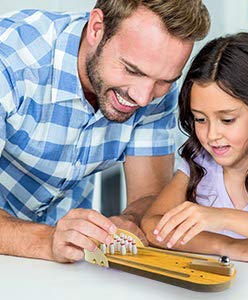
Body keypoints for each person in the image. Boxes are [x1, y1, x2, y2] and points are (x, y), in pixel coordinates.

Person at [0, 1, 210, 263]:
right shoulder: (9, 59)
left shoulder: (152, 92)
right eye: (132, 70)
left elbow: (149, 198)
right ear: (97, 28)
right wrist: (46, 240)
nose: (143, 98)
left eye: (164, 81)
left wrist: (128, 222)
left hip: (66, 263)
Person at [141, 32, 248, 264]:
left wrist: (222, 218)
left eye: (227, 120)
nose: (212, 136)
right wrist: (227, 244)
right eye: (200, 119)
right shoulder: (199, 163)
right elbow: (152, 225)